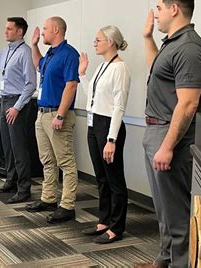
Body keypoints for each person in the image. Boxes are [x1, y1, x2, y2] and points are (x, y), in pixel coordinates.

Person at [141, 0, 201, 268]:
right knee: (164, 211)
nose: (155, 14)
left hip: (172, 137)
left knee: (178, 215)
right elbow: (157, 69)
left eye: (158, 8)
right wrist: (147, 37)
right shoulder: (172, 44)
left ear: (174, 8)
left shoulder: (190, 48)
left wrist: (167, 146)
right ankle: (164, 260)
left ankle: (180, 264)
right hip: (157, 132)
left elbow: (188, 104)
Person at [78, 25, 131, 244]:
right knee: (101, 177)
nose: (95, 43)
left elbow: (119, 106)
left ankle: (117, 228)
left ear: (110, 42)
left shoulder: (120, 68)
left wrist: (112, 139)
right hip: (94, 123)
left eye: (98, 39)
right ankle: (104, 220)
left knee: (114, 179)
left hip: (109, 126)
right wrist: (82, 73)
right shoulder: (102, 66)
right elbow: (91, 97)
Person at [26, 16, 80, 224]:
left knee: (65, 162)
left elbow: (71, 85)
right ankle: (48, 198)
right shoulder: (50, 53)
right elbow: (39, 65)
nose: (43, 33)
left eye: (46, 29)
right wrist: (33, 45)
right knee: (47, 160)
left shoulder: (69, 54)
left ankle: (67, 206)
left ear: (56, 30)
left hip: (58, 115)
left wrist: (60, 114)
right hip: (42, 113)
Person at [0, 17, 37, 203]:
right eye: (5, 28)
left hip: (17, 104)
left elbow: (31, 85)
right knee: (7, 146)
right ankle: (11, 181)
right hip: (4, 101)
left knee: (19, 148)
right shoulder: (7, 50)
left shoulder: (26, 53)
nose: (5, 31)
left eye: (9, 29)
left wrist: (17, 107)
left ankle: (24, 189)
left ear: (20, 31)